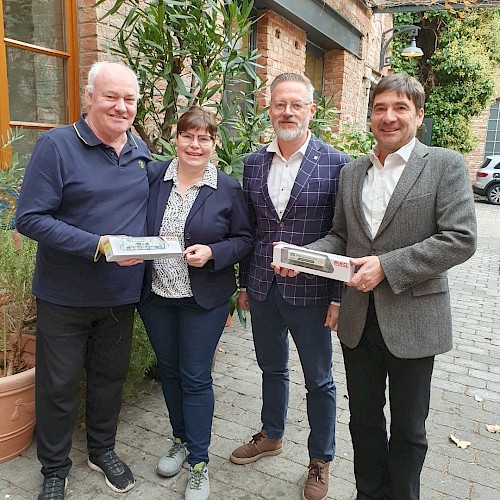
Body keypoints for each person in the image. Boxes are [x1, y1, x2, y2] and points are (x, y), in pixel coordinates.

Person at [274, 73, 477, 500]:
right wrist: (301, 258)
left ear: (418, 115)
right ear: (370, 116)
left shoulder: (444, 165)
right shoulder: (352, 172)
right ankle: (368, 493)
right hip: (358, 318)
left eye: (400, 108)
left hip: (414, 318)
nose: (389, 117)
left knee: (409, 429)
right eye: (380, 108)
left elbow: (459, 238)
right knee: (364, 422)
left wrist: (387, 266)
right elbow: (340, 236)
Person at [15, 61, 150, 500]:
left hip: (120, 295)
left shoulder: (139, 148)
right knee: (57, 386)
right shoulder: (57, 146)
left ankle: (102, 450)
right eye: (111, 96)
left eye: (129, 99)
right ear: (89, 96)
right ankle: (55, 468)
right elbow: (29, 218)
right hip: (65, 295)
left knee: (109, 378)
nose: (121, 106)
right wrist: (99, 245)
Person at [230, 73, 350, 500]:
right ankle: (272, 434)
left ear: (311, 110)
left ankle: (320, 459)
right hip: (263, 288)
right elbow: (250, 229)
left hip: (313, 294)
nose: (288, 112)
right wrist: (244, 284)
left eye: (297, 104)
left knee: (319, 380)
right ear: (270, 109)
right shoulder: (252, 163)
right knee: (271, 368)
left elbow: (344, 233)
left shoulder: (337, 163)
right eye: (280, 104)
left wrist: (338, 297)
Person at [138, 106, 253, 500]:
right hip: (156, 296)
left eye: (204, 138)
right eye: (187, 136)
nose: (194, 144)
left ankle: (200, 463)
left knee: (195, 376)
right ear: (175, 138)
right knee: (169, 372)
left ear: (214, 143)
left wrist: (213, 252)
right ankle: (180, 440)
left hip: (203, 300)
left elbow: (244, 239)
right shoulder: (154, 177)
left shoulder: (227, 188)